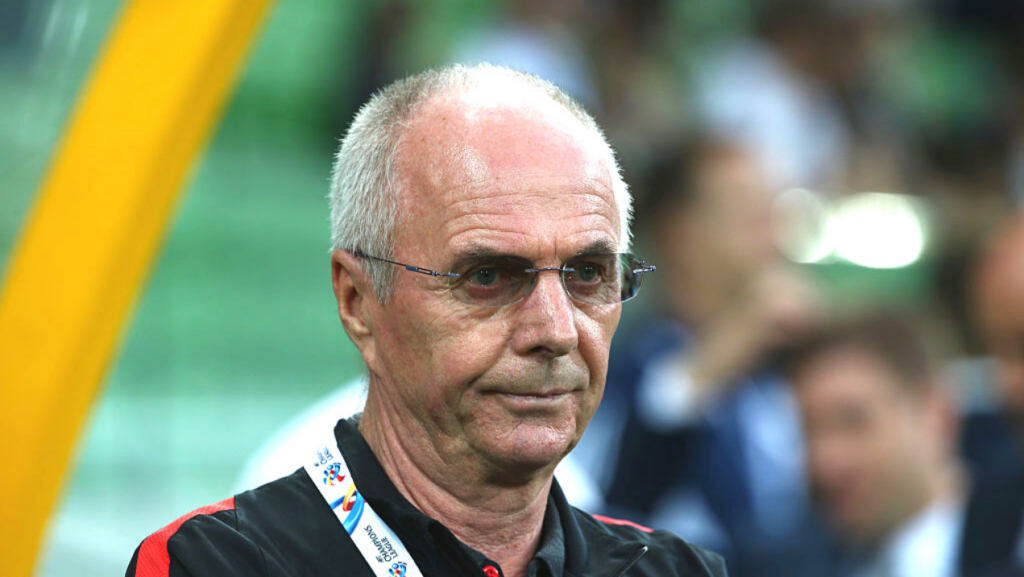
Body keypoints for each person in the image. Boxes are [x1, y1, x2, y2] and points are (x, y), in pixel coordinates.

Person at [124, 64, 727, 577]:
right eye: (488, 276)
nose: (556, 330)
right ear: (358, 302)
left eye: (588, 273)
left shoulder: (678, 570)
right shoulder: (216, 564)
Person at [587, 138, 825, 577]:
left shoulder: (785, 369)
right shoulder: (618, 368)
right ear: (678, 235)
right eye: (749, 215)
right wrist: (720, 356)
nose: (773, 236)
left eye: (773, 213)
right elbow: (614, 505)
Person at [788, 310, 1024, 577]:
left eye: (854, 421)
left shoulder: (1012, 544)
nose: (825, 459)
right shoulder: (807, 560)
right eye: (807, 431)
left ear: (937, 413)